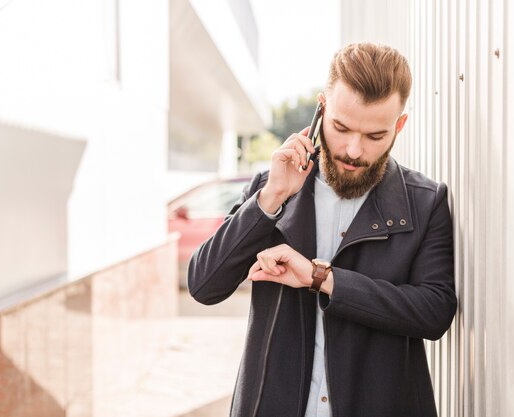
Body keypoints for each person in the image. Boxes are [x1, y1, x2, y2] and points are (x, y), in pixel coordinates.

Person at [188, 42, 457, 417]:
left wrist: (323, 279)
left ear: (399, 126)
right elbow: (204, 285)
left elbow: (434, 311)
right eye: (341, 127)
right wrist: (271, 197)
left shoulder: (424, 202)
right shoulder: (271, 190)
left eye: (374, 136)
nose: (353, 150)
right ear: (321, 109)